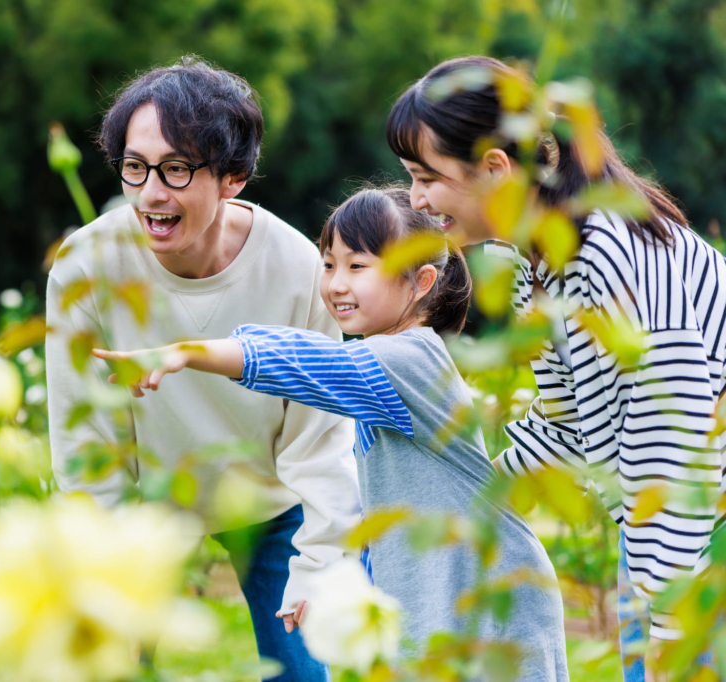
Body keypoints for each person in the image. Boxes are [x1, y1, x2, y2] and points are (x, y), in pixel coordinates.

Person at [95, 186, 569, 681]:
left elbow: (306, 361)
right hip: (445, 598)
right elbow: (372, 502)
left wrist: (189, 353)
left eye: (357, 266)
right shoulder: (381, 368)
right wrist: (324, 576)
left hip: (492, 601)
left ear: (421, 281)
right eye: (328, 265)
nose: (336, 284)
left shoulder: (409, 361)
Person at [386, 55, 726, 679]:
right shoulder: (536, 262)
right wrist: (479, 493)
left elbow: (675, 440)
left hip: (700, 523)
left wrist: (672, 621)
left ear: (494, 169)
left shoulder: (609, 248)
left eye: (424, 176)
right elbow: (567, 420)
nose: (415, 199)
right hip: (662, 529)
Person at [45, 57, 360, 681]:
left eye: (177, 169)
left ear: (233, 177)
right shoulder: (86, 267)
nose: (151, 193)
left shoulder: (299, 269)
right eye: (135, 167)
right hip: (147, 509)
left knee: (305, 671)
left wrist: (320, 566)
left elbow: (321, 443)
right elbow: (86, 441)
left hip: (275, 506)